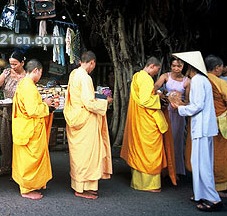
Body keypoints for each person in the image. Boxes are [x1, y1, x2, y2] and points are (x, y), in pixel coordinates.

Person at [169, 51, 223, 212]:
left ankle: (213, 199)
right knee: (198, 162)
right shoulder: (201, 80)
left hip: (202, 127)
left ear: (192, 67)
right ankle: (201, 194)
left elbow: (197, 105)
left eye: (185, 64)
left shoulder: (198, 80)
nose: (183, 67)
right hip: (203, 127)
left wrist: (180, 108)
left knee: (203, 164)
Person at [121, 56, 173, 192]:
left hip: (140, 120)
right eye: (157, 69)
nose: (157, 72)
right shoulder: (145, 78)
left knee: (140, 149)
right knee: (150, 151)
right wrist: (159, 98)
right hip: (147, 120)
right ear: (152, 66)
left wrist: (155, 93)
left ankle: (139, 183)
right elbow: (145, 100)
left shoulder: (137, 76)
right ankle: (150, 185)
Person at [64, 51, 112, 199]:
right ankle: (82, 188)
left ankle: (80, 185)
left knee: (80, 154)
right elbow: (89, 103)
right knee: (87, 155)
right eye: (93, 65)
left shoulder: (74, 73)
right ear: (92, 62)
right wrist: (105, 101)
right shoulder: (85, 78)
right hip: (85, 120)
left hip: (75, 116)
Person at [12, 59, 58, 200]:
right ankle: (27, 189)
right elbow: (33, 110)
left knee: (24, 159)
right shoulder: (29, 86)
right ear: (36, 71)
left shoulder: (23, 84)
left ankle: (26, 185)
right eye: (40, 73)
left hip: (23, 127)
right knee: (30, 160)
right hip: (30, 129)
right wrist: (47, 106)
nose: (40, 76)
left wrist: (43, 102)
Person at [205, 54, 227, 197]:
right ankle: (220, 185)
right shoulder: (220, 82)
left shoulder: (201, 80)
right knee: (222, 154)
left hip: (205, 122)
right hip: (221, 123)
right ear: (218, 68)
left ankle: (208, 183)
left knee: (208, 153)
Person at [154, 58, 190, 176]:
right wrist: (162, 94)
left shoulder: (187, 81)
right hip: (166, 111)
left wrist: (179, 103)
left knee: (176, 141)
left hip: (178, 114)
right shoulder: (165, 76)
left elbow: (188, 101)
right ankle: (163, 169)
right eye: (174, 66)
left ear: (183, 67)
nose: (176, 69)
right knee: (164, 139)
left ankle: (175, 170)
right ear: (170, 66)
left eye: (179, 66)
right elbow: (155, 88)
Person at [0, 50, 26, 175]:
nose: (13, 67)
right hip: (6, 109)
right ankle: (6, 166)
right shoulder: (6, 72)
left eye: (15, 64)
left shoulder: (27, 75)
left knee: (19, 140)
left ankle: (18, 169)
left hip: (22, 111)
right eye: (11, 64)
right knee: (5, 139)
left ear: (22, 62)